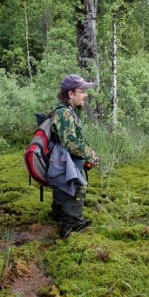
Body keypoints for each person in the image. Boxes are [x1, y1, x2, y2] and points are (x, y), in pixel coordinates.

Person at [48, 74, 98, 238]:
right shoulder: (64, 114)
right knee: (75, 186)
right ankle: (70, 227)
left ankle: (60, 215)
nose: (86, 95)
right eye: (82, 91)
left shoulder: (65, 112)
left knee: (67, 187)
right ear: (71, 94)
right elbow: (72, 144)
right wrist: (91, 155)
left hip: (62, 162)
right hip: (65, 163)